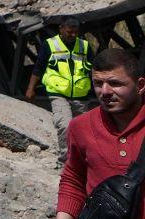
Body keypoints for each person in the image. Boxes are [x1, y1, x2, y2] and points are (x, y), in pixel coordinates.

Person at [48, 49, 145, 219]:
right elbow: (73, 179)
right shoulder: (80, 127)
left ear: (140, 85)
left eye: (115, 83)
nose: (105, 91)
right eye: (98, 83)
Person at [25, 17, 98, 167]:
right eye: (70, 32)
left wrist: (100, 88)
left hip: (81, 94)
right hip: (58, 93)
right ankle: (66, 162)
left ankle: (81, 161)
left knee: (82, 129)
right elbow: (39, 67)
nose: (73, 35)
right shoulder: (50, 45)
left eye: (76, 33)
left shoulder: (84, 46)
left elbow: (93, 69)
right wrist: (30, 88)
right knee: (65, 125)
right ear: (61, 29)